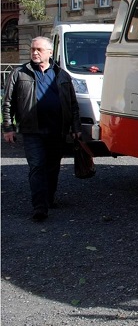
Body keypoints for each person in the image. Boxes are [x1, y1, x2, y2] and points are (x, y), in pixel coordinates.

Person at [2, 36, 81, 221]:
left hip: (57, 131)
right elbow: (7, 103)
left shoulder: (62, 75)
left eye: (39, 50)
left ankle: (49, 198)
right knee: (37, 167)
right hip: (32, 131)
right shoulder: (19, 73)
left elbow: (73, 104)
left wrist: (76, 126)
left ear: (50, 53)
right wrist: (8, 127)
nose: (35, 53)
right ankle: (40, 207)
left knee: (53, 168)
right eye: (32, 50)